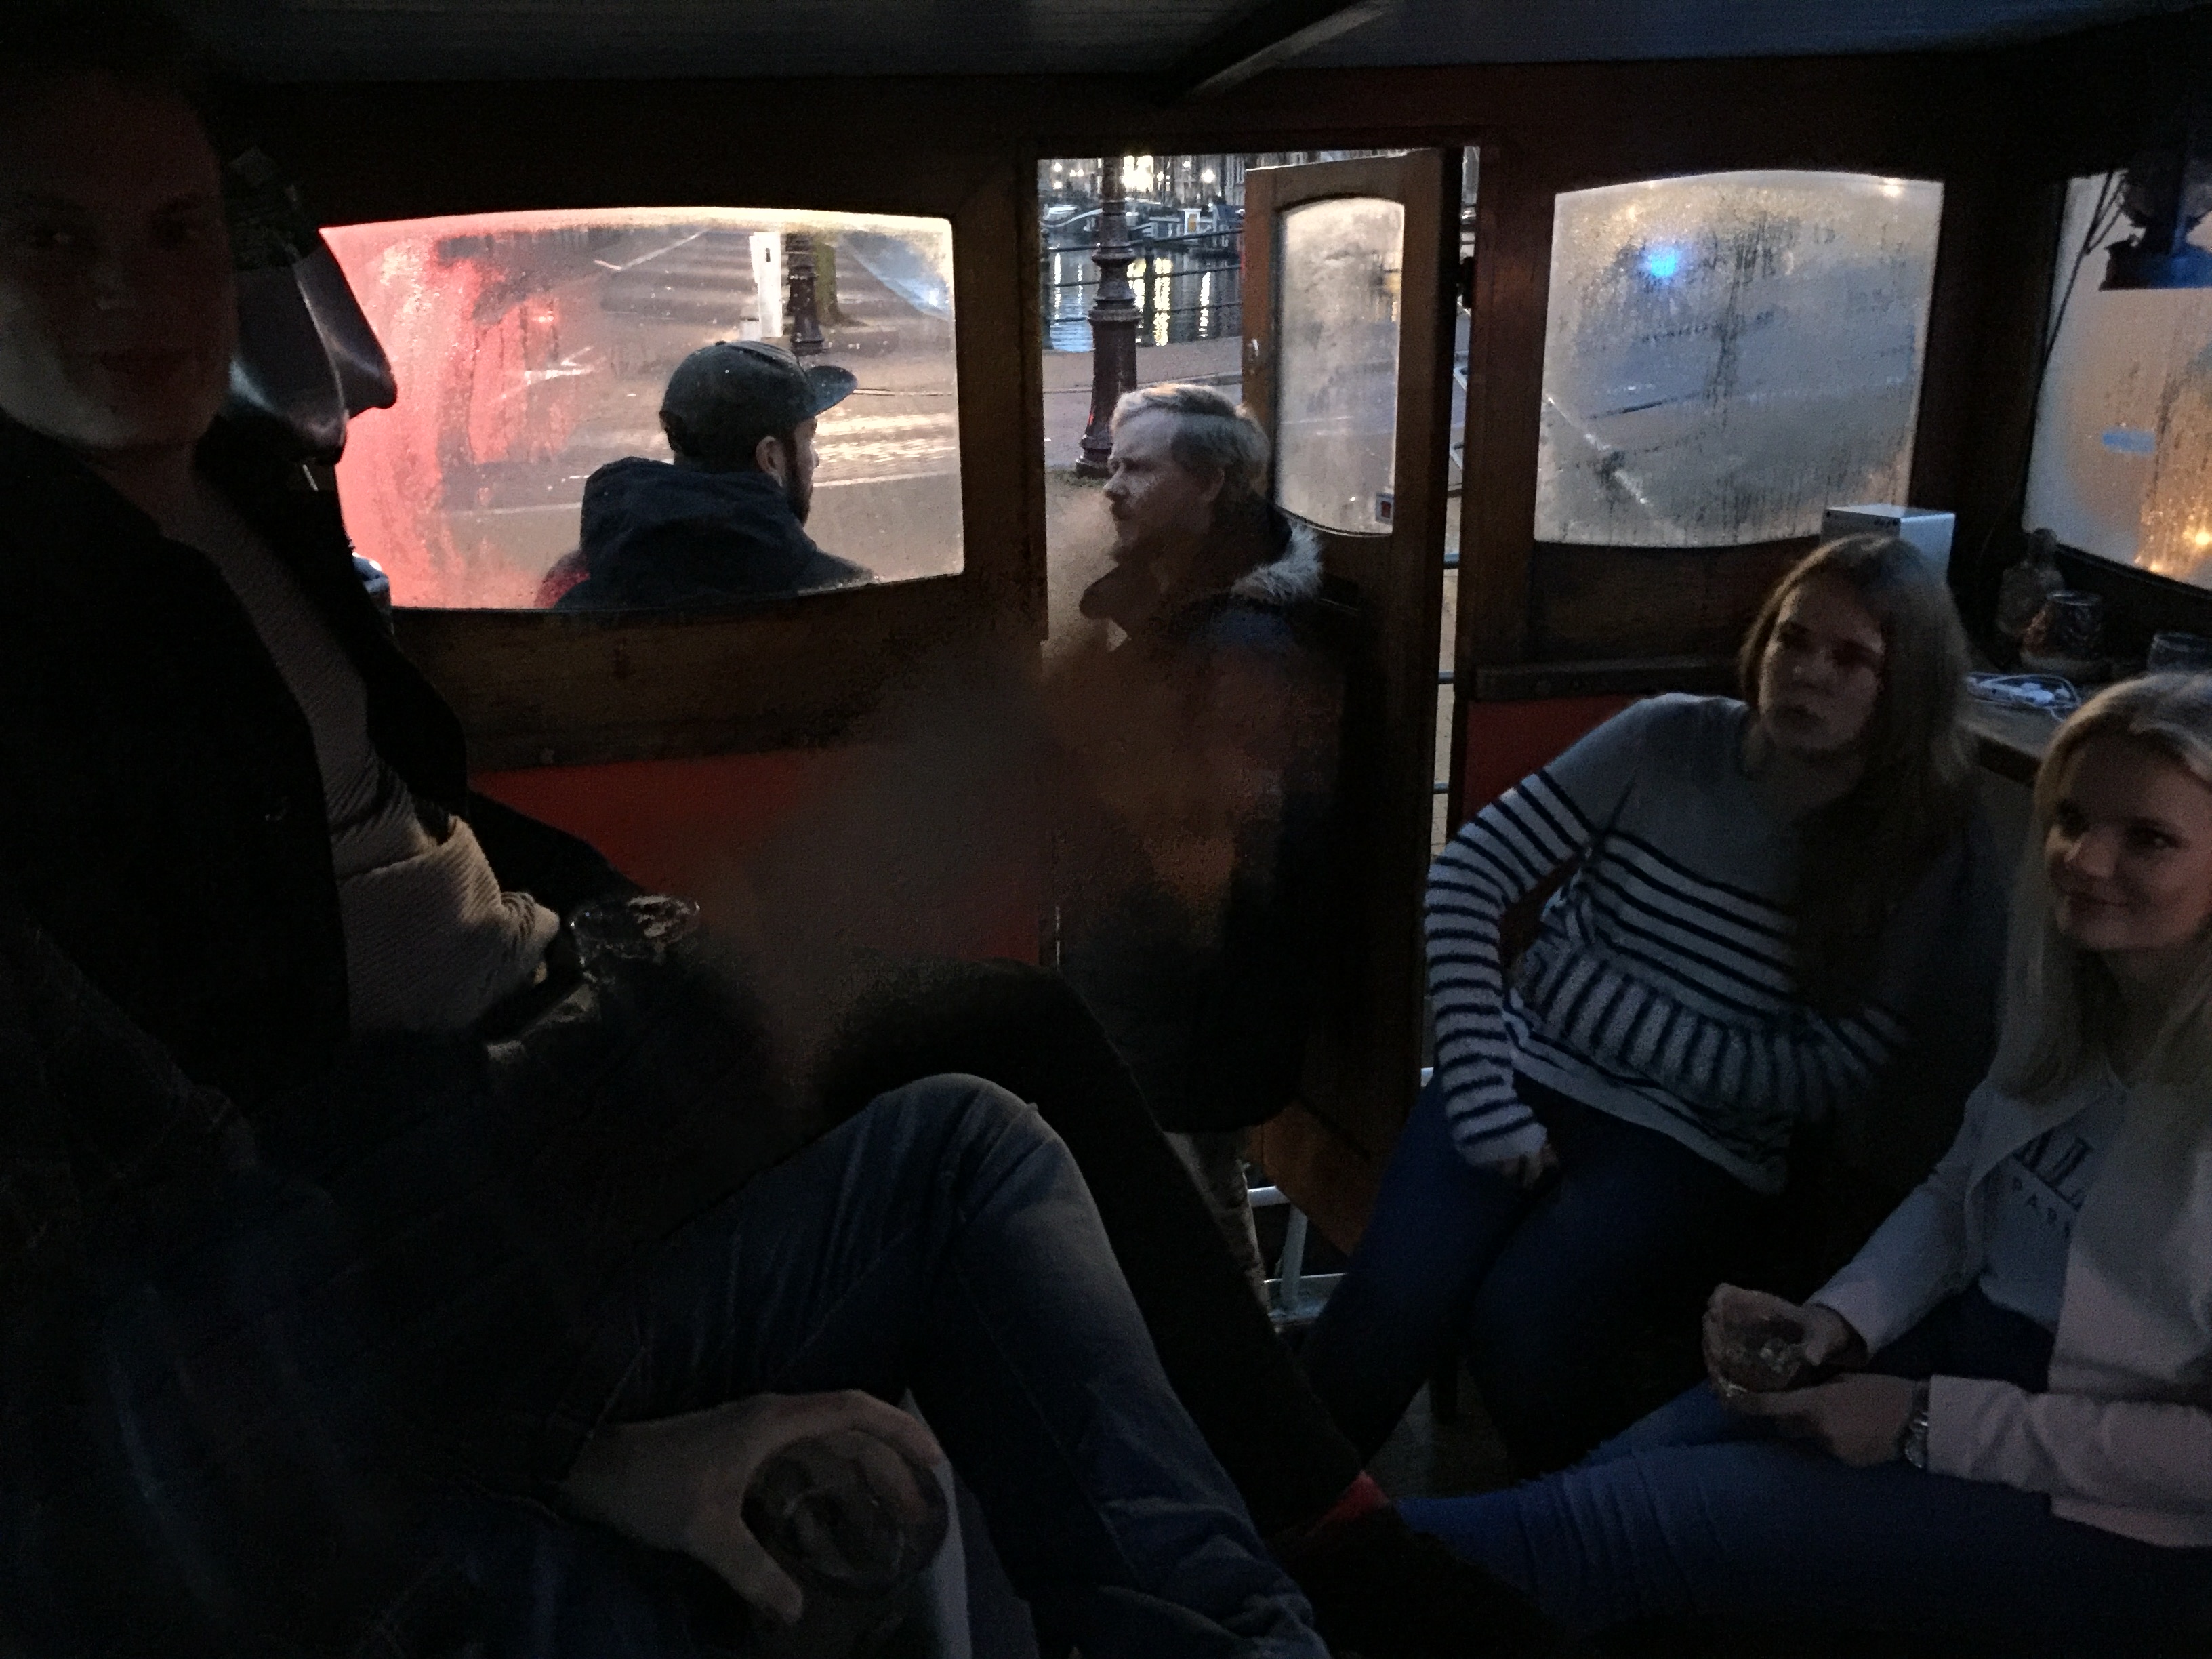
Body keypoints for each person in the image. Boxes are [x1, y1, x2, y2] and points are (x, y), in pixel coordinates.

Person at [0, 14, 1555, 1656]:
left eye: (175, 232)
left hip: (540, 992)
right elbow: (217, 1281)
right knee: (1004, 1029)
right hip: (469, 1124)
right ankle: (1337, 1545)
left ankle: (1285, 1588)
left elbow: (417, 814)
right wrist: (811, 911)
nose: (129, 295)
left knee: (980, 1103)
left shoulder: (251, 500)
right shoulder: (50, 650)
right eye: (52, 239)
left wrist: (638, 921)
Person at [1396, 672, 2212, 1656]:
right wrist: (1837, 1319)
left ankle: (1306, 1573)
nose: (2083, 859)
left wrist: (1922, 1421)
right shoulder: (2077, 1003)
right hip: (1964, 1359)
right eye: (2071, 819)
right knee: (1614, 1477)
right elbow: (1957, 1196)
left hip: (2118, 1516)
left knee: (1602, 1532)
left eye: (2148, 839)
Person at [1300, 536, 2009, 1477]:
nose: (1807, 673)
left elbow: (1831, 1072)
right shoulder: (1666, 738)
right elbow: (1467, 877)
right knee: (1386, 1308)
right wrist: (1478, 1086)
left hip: (1698, 1141)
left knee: (1527, 1328)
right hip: (1524, 1070)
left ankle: (1557, 1542)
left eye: (1851, 659)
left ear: (1905, 684)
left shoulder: (1920, 841)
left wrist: (1585, 996)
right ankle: (1266, 1538)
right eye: (1793, 640)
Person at [1051, 383, 1351, 1282]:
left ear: (1212, 483)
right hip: (1155, 988)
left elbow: (1219, 848)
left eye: (1139, 469)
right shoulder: (1175, 605)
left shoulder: (1243, 645)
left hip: (1181, 1005)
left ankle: (1229, 1357)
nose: (1112, 488)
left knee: (1182, 1208)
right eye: (1113, 467)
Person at [546, 337, 869, 609]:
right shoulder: (845, 594)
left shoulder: (576, 588)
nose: (816, 459)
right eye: (808, 439)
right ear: (770, 457)